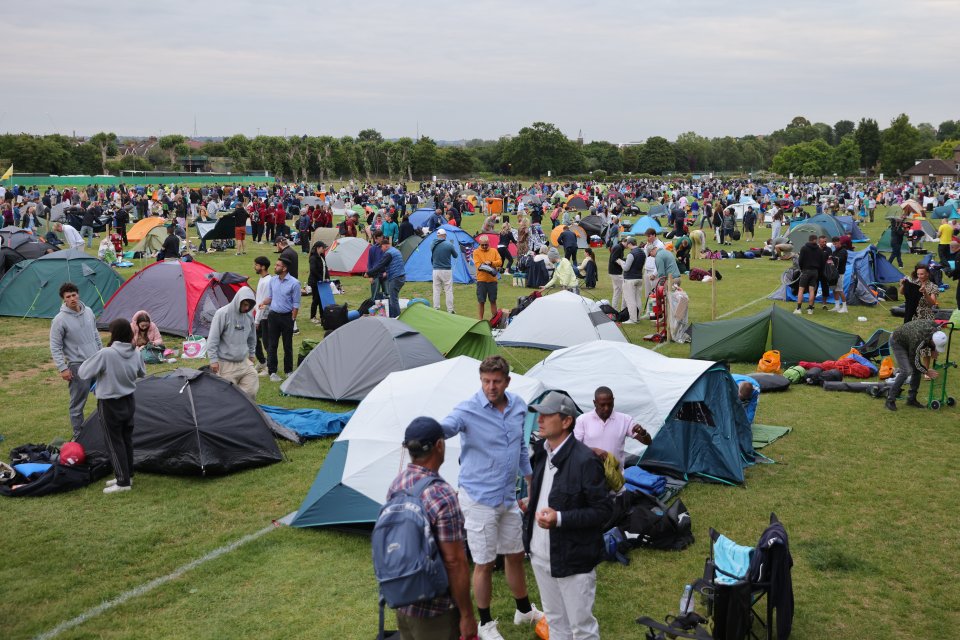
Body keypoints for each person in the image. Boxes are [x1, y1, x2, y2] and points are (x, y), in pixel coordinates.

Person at [440, 356, 544, 640]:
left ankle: (523, 610)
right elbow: (447, 426)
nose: (491, 386)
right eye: (486, 381)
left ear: (507, 381)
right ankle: (485, 624)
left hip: (508, 498)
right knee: (484, 563)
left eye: (496, 381)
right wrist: (429, 431)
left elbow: (521, 446)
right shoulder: (467, 409)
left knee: (514, 555)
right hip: (478, 500)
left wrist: (530, 478)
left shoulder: (519, 406)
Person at [523, 390, 612, 640]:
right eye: (538, 415)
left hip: (573, 558)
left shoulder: (585, 461)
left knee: (581, 628)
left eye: (546, 415)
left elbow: (603, 511)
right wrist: (530, 505)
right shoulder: (542, 452)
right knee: (555, 622)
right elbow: (545, 492)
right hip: (540, 555)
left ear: (566, 421)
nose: (539, 420)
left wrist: (560, 518)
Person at [387, 417, 478, 640]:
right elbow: (454, 561)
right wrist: (466, 614)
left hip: (404, 601)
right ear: (439, 445)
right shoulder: (442, 494)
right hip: (436, 611)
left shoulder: (397, 484)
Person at [78, 318, 146, 494]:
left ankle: (123, 483)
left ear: (113, 334)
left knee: (114, 442)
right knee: (126, 439)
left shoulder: (106, 353)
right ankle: (127, 474)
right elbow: (142, 372)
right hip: (129, 400)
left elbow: (83, 372)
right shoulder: (136, 352)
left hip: (110, 403)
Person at [50, 282, 103, 436]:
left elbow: (95, 335)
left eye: (74, 295)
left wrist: (102, 355)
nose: (72, 298)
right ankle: (78, 434)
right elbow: (55, 346)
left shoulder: (89, 312)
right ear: (64, 299)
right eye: (68, 297)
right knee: (78, 403)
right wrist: (62, 368)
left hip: (96, 361)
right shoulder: (59, 320)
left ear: (78, 295)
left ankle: (104, 426)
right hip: (77, 366)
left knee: (104, 396)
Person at [574, 386, 651, 470]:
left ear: (613, 401)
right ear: (594, 403)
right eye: (602, 405)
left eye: (610, 404)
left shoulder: (625, 420)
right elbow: (573, 447)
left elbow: (647, 442)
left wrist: (643, 433)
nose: (606, 408)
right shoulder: (582, 420)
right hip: (589, 475)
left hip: (615, 477)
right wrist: (593, 450)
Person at [207, 286, 259, 400]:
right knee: (228, 398)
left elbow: (252, 337)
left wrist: (252, 353)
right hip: (226, 364)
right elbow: (213, 339)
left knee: (252, 385)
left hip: (243, 362)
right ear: (238, 300)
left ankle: (247, 411)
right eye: (244, 304)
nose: (246, 308)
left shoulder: (249, 315)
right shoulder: (222, 313)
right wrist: (213, 360)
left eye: (249, 306)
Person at [886, 319, 947, 411]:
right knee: (906, 371)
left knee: (917, 370)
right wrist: (926, 371)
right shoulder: (918, 340)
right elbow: (914, 361)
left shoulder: (937, 330)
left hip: (909, 338)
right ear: (933, 340)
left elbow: (931, 340)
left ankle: (911, 399)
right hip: (898, 341)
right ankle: (890, 400)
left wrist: (934, 349)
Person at [260, 256, 300, 382]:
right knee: (272, 345)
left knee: (287, 345)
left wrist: (293, 319)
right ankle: (272, 372)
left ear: (284, 268)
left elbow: (296, 304)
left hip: (287, 317)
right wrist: (263, 302)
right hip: (273, 316)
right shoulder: (273, 280)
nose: (275, 267)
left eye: (277, 265)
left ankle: (288, 371)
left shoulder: (295, 283)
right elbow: (271, 297)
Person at [366, 236, 406, 318]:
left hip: (396, 277)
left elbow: (380, 265)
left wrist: (369, 273)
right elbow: (385, 266)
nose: (381, 250)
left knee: (393, 299)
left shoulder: (389, 253)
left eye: (382, 247)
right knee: (393, 298)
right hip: (401, 276)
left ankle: (397, 317)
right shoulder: (395, 250)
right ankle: (396, 315)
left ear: (386, 246)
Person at [473, 234, 502, 321]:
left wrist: (491, 263)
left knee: (493, 301)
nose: (485, 246)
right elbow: (478, 266)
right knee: (481, 301)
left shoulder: (494, 251)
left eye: (486, 244)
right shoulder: (476, 252)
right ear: (479, 244)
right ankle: (480, 320)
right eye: (483, 245)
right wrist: (486, 265)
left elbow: (500, 262)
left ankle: (494, 320)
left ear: (489, 243)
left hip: (492, 281)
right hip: (481, 281)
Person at [252, 256, 272, 376]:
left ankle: (270, 367)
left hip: (265, 316)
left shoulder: (268, 281)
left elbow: (263, 302)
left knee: (267, 342)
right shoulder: (262, 279)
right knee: (254, 340)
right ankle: (262, 362)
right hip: (259, 315)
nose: (254, 267)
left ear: (263, 267)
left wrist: (257, 320)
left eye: (256, 265)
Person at [430, 228, 458, 314]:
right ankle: (450, 309)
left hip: (435, 270)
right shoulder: (449, 244)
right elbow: (455, 255)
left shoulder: (432, 244)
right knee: (448, 290)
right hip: (446, 270)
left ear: (438, 236)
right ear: (444, 236)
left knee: (436, 290)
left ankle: (436, 308)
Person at [621, 237, 645, 324]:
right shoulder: (643, 252)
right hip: (639, 278)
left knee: (630, 300)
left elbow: (626, 268)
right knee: (638, 298)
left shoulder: (631, 254)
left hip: (630, 279)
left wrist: (621, 263)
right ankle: (638, 317)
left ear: (630, 244)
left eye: (627, 244)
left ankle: (633, 319)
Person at [795, 235, 820, 315]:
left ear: (809, 240)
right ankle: (810, 309)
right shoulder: (819, 249)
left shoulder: (804, 248)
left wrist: (802, 269)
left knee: (801, 290)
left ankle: (798, 308)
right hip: (815, 271)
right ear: (815, 240)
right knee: (812, 290)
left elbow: (800, 260)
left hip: (806, 271)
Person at [307, 241, 329, 324]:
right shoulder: (313, 258)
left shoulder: (322, 256)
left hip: (322, 282)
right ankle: (312, 316)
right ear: (318, 248)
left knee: (321, 300)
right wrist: (321, 278)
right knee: (315, 299)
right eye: (323, 248)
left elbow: (325, 268)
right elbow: (313, 270)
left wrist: (327, 278)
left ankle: (322, 316)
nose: (324, 249)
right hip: (315, 282)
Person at [828, 236, 851, 313]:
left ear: (839, 242)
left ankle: (845, 307)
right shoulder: (835, 251)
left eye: (836, 243)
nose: (835, 245)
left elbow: (838, 260)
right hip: (834, 273)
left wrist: (831, 258)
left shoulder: (843, 251)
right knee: (835, 289)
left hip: (840, 273)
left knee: (840, 290)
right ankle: (837, 306)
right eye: (834, 244)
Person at [607, 237, 627, 311]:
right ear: (625, 242)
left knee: (617, 291)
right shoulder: (618, 247)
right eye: (628, 244)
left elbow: (617, 258)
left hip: (614, 272)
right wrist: (623, 263)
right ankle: (623, 310)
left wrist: (624, 259)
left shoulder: (619, 247)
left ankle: (614, 310)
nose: (628, 246)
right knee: (625, 290)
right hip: (615, 272)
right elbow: (613, 259)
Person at [816, 235, 833, 310]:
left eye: (825, 241)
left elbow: (830, 260)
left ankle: (824, 304)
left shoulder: (828, 249)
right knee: (814, 287)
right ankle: (811, 304)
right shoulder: (815, 249)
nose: (825, 243)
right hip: (816, 271)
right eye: (823, 242)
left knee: (825, 287)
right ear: (819, 242)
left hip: (825, 271)